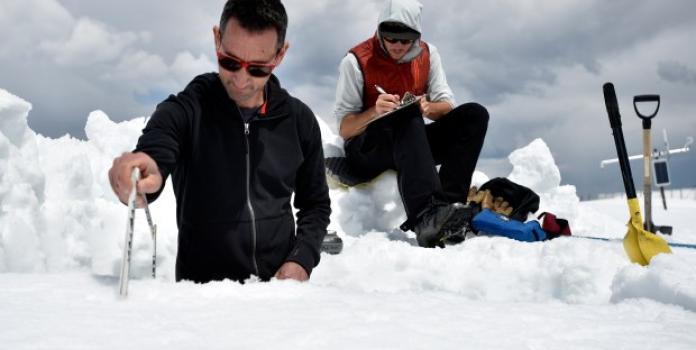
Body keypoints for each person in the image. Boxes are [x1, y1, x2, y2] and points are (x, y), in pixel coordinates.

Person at [108, 0, 330, 283]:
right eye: (230, 62)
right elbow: (159, 146)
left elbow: (316, 205)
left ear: (280, 55)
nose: (240, 79)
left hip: (278, 295)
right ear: (217, 40)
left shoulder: (299, 121)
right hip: (203, 302)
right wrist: (143, 168)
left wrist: (301, 260)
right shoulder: (188, 110)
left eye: (258, 68)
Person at [333, 0, 488, 248]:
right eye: (391, 38)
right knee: (406, 116)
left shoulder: (428, 54)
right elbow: (345, 128)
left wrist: (428, 107)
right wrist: (375, 111)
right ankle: (426, 217)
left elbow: (446, 104)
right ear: (380, 32)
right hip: (368, 148)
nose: (397, 46)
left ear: (416, 37)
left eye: (405, 40)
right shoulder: (355, 61)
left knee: (474, 115)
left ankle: (448, 211)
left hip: (410, 139)